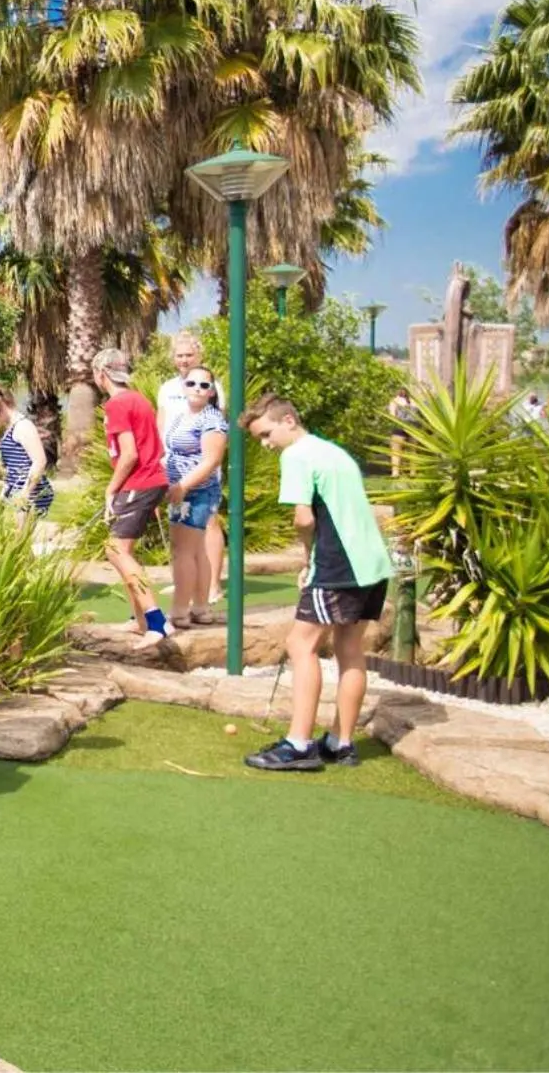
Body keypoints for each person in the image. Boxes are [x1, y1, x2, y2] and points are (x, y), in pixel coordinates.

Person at [240, 396, 392, 772]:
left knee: (299, 643)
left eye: (266, 433)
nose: (266, 443)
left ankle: (299, 743)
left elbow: (304, 519)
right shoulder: (334, 452)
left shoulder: (296, 455)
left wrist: (308, 559)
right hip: (371, 565)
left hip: (337, 566)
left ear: (288, 420)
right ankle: (341, 742)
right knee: (349, 646)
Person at [94, 348, 170, 638]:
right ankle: (140, 621)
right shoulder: (139, 399)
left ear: (102, 375)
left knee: (115, 550)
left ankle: (156, 623)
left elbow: (128, 454)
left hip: (139, 482)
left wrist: (111, 488)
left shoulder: (117, 405)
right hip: (150, 481)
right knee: (123, 551)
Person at [158, 330, 227, 606]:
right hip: (173, 466)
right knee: (181, 525)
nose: (184, 360)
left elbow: (214, 429)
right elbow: (160, 425)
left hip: (201, 468)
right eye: (179, 355)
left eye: (189, 355)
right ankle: (185, 582)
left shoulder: (210, 385)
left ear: (199, 356)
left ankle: (212, 586)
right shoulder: (167, 388)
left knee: (208, 523)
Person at [0, 386, 52, 517]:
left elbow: (40, 461)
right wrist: (5, 491)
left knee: (21, 537)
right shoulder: (11, 427)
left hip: (30, 495)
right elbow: (15, 464)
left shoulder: (23, 427)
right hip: (17, 491)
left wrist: (25, 493)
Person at [387, 388, 416, 478]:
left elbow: (392, 415)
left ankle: (395, 472)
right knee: (412, 451)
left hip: (399, 427)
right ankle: (412, 472)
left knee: (396, 451)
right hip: (413, 427)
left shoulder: (395, 401)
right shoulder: (413, 402)